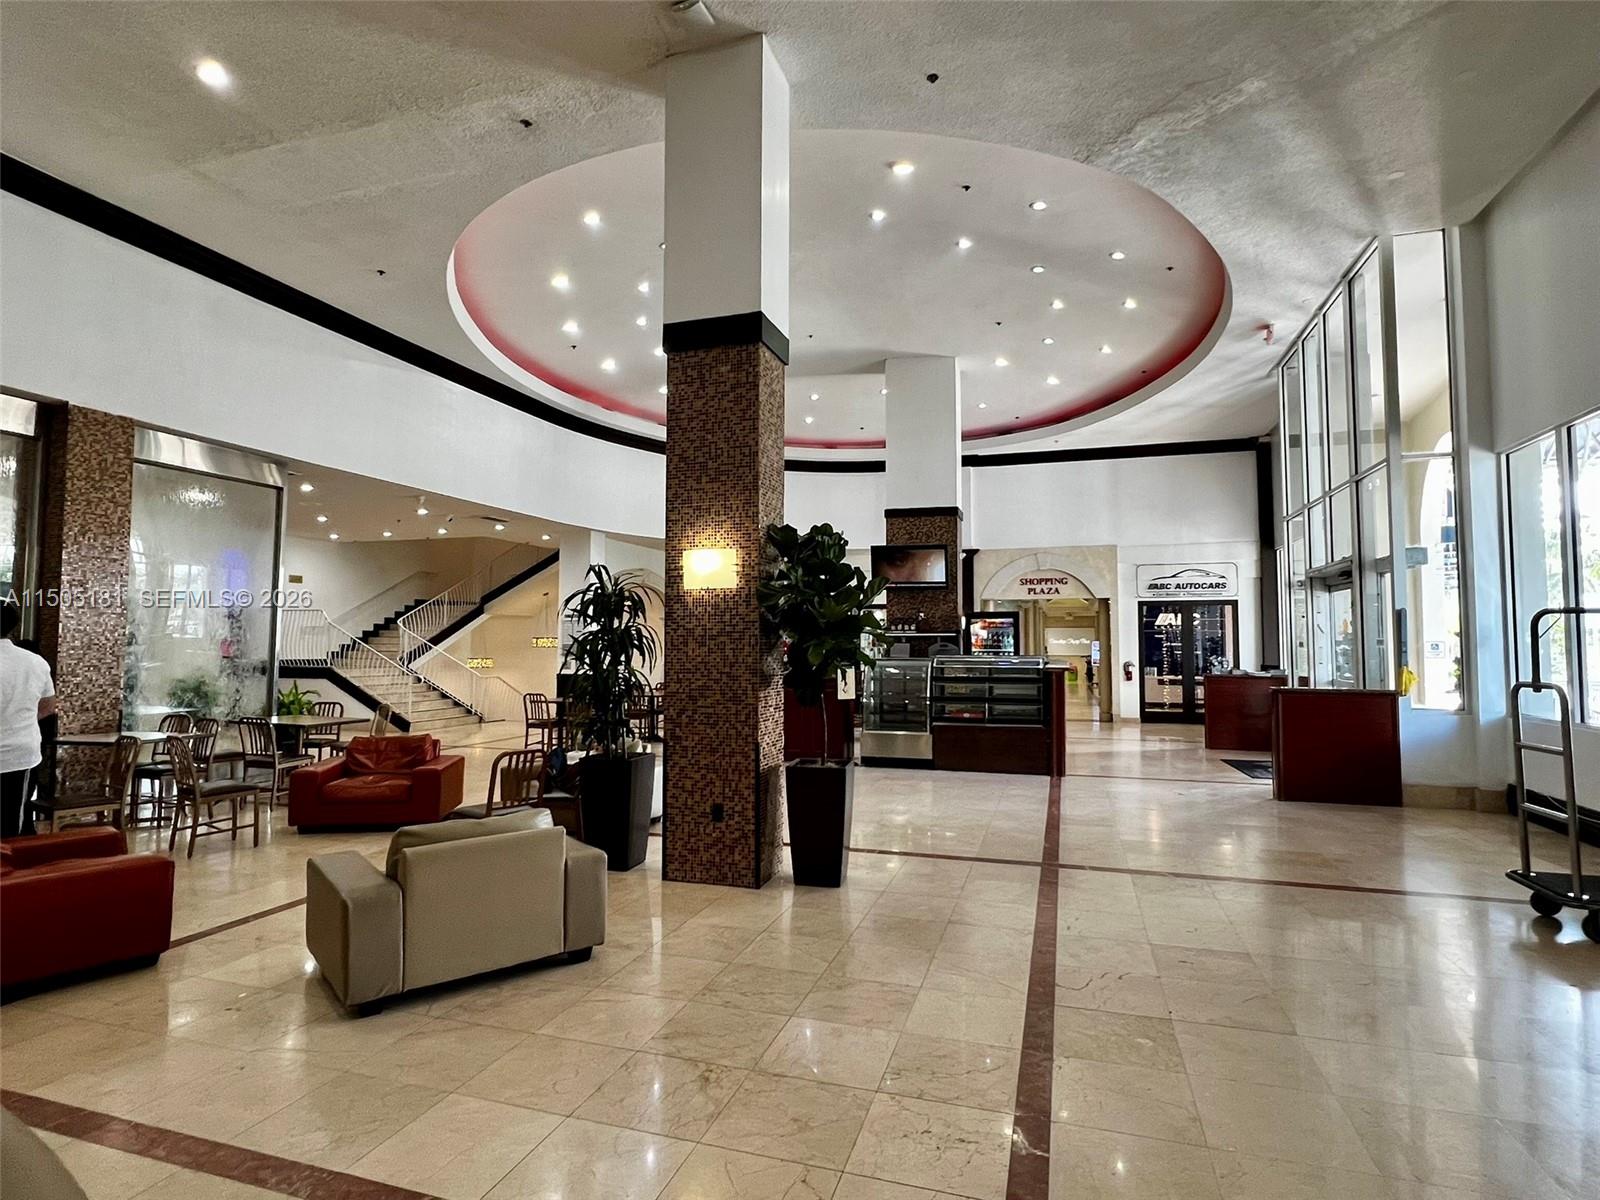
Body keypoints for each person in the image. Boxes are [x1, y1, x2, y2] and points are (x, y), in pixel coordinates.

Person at [1, 599, 57, 837]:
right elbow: (48, 707)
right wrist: (17, 719)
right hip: (19, 754)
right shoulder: (35, 662)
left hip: (16, 752)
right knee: (11, 824)